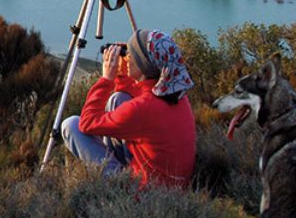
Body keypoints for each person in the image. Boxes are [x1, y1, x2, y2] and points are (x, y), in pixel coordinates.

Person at [60, 28, 196, 188]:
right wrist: (122, 72)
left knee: (71, 126)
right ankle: (115, 162)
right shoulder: (174, 92)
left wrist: (107, 79)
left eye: (133, 55)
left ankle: (114, 182)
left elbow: (87, 123)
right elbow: (137, 93)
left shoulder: (144, 108)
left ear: (145, 65)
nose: (128, 57)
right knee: (119, 98)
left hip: (147, 193)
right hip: (172, 182)